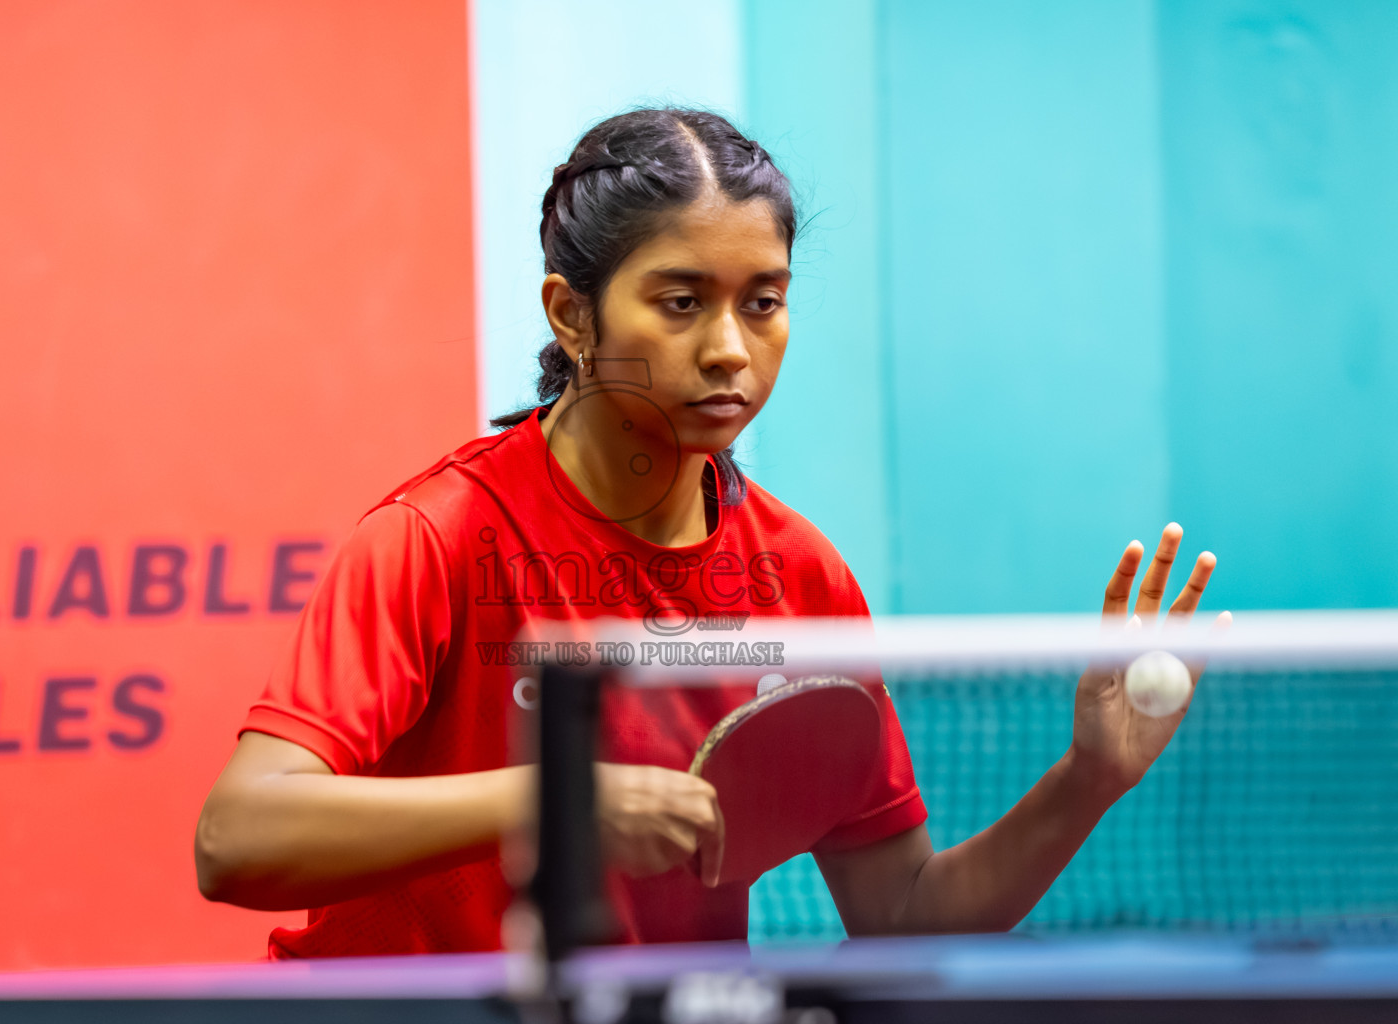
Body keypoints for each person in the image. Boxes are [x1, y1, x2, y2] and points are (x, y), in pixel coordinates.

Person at [194, 107, 1223, 957]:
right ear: (573, 314)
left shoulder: (799, 576)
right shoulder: (439, 536)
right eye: (681, 303)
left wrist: (1087, 779)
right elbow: (237, 838)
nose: (731, 350)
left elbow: (903, 916)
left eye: (763, 302)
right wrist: (556, 796)